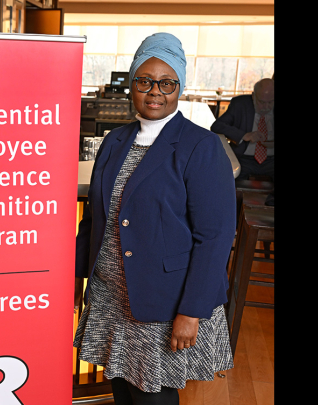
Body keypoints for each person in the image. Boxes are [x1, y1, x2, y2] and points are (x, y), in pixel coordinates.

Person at [73, 32, 236, 405]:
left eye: (166, 83)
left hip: (165, 302)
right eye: (144, 81)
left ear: (179, 86)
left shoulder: (201, 146)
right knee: (123, 390)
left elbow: (214, 236)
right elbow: (95, 220)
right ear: (132, 84)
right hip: (111, 296)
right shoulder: (115, 140)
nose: (155, 92)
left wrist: (191, 312)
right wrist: (72, 278)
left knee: (152, 397)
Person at [210, 78, 274, 181]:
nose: (266, 107)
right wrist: (244, 135)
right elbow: (217, 126)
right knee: (227, 180)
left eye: (271, 102)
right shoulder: (240, 104)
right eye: (262, 102)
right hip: (244, 159)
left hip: (271, 160)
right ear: (254, 96)